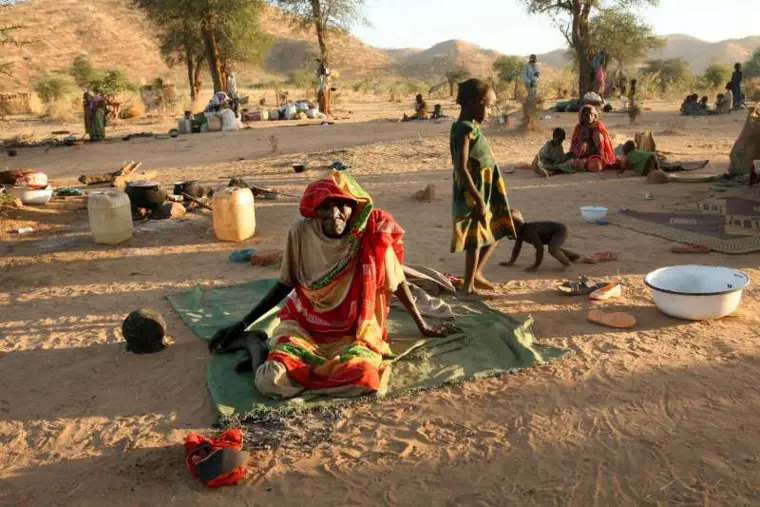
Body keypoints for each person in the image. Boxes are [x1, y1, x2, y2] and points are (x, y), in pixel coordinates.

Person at [208, 171, 455, 399]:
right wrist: (242, 323)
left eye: (341, 205)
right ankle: (254, 343)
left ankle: (273, 362)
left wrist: (422, 325)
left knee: (364, 379)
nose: (333, 214)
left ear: (354, 207)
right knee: (269, 382)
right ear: (315, 209)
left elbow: (397, 281)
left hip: (352, 331)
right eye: (325, 206)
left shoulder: (369, 237)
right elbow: (285, 284)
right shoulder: (301, 232)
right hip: (304, 325)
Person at [450, 78, 516, 295]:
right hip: (475, 190)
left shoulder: (471, 126)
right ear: (472, 103)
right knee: (475, 237)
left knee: (502, 222)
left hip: (486, 188)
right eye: (487, 106)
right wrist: (477, 198)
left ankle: (475, 274)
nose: (489, 111)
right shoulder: (463, 129)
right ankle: (467, 287)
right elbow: (461, 167)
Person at [500, 209, 579, 272]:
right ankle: (574, 256)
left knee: (553, 249)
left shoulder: (528, 231)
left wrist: (535, 266)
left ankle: (568, 265)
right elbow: (517, 248)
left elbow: (540, 249)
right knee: (554, 247)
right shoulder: (520, 232)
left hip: (559, 230)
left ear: (515, 225)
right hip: (553, 232)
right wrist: (511, 262)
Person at [568, 105, 617, 172]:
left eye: (591, 114)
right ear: (581, 116)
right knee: (570, 161)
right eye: (586, 115)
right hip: (580, 156)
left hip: (596, 156)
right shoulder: (579, 128)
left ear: (595, 116)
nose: (589, 117)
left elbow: (601, 149)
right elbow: (574, 145)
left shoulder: (598, 127)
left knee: (596, 166)